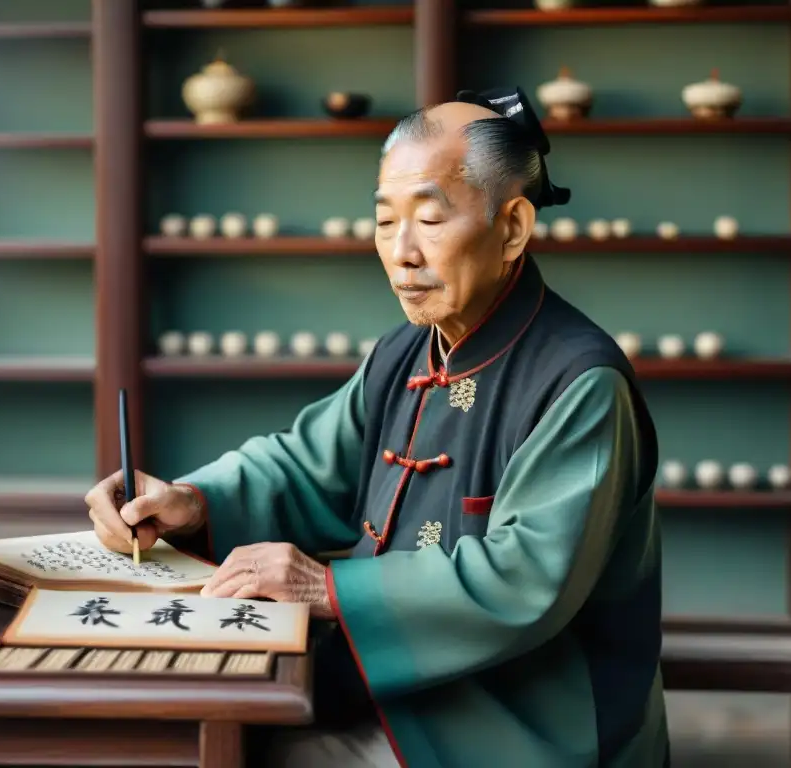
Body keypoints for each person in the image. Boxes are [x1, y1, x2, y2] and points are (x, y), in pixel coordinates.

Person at [86, 86, 669, 768]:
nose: (402, 252)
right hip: (381, 687)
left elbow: (525, 578)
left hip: (514, 726)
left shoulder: (579, 382)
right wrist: (189, 501)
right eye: (386, 221)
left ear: (512, 228)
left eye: (428, 219)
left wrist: (328, 588)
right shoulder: (404, 352)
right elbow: (304, 465)